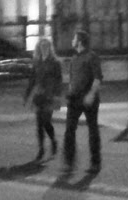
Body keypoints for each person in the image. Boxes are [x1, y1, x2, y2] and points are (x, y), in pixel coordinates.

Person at [62, 30, 102, 172]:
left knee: (93, 130)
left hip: (88, 98)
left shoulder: (91, 57)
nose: (72, 40)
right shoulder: (74, 59)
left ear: (79, 41)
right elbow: (72, 80)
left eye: (74, 38)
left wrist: (91, 94)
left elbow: (98, 78)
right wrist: (70, 91)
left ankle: (95, 163)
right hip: (74, 99)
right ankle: (68, 162)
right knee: (69, 130)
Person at [23, 38, 62, 160]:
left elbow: (59, 80)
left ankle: (53, 141)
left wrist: (56, 94)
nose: (44, 48)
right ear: (38, 48)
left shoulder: (55, 62)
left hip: (49, 95)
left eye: (46, 46)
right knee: (39, 124)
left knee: (46, 121)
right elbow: (32, 80)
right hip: (39, 95)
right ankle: (41, 149)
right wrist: (27, 95)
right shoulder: (37, 62)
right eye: (41, 46)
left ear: (50, 48)